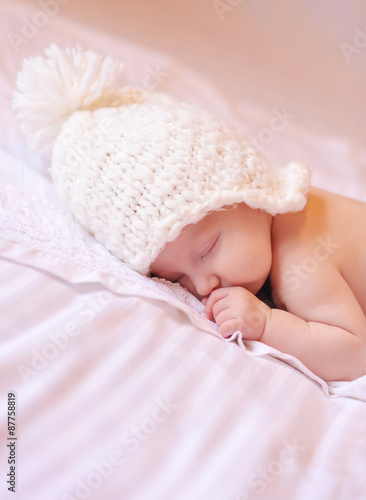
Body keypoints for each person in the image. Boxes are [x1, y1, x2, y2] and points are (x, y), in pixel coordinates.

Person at [13, 45, 366, 382]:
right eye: (178, 277)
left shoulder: (301, 258)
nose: (202, 286)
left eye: (208, 248)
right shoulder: (275, 226)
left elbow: (353, 355)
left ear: (252, 195)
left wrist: (265, 323)